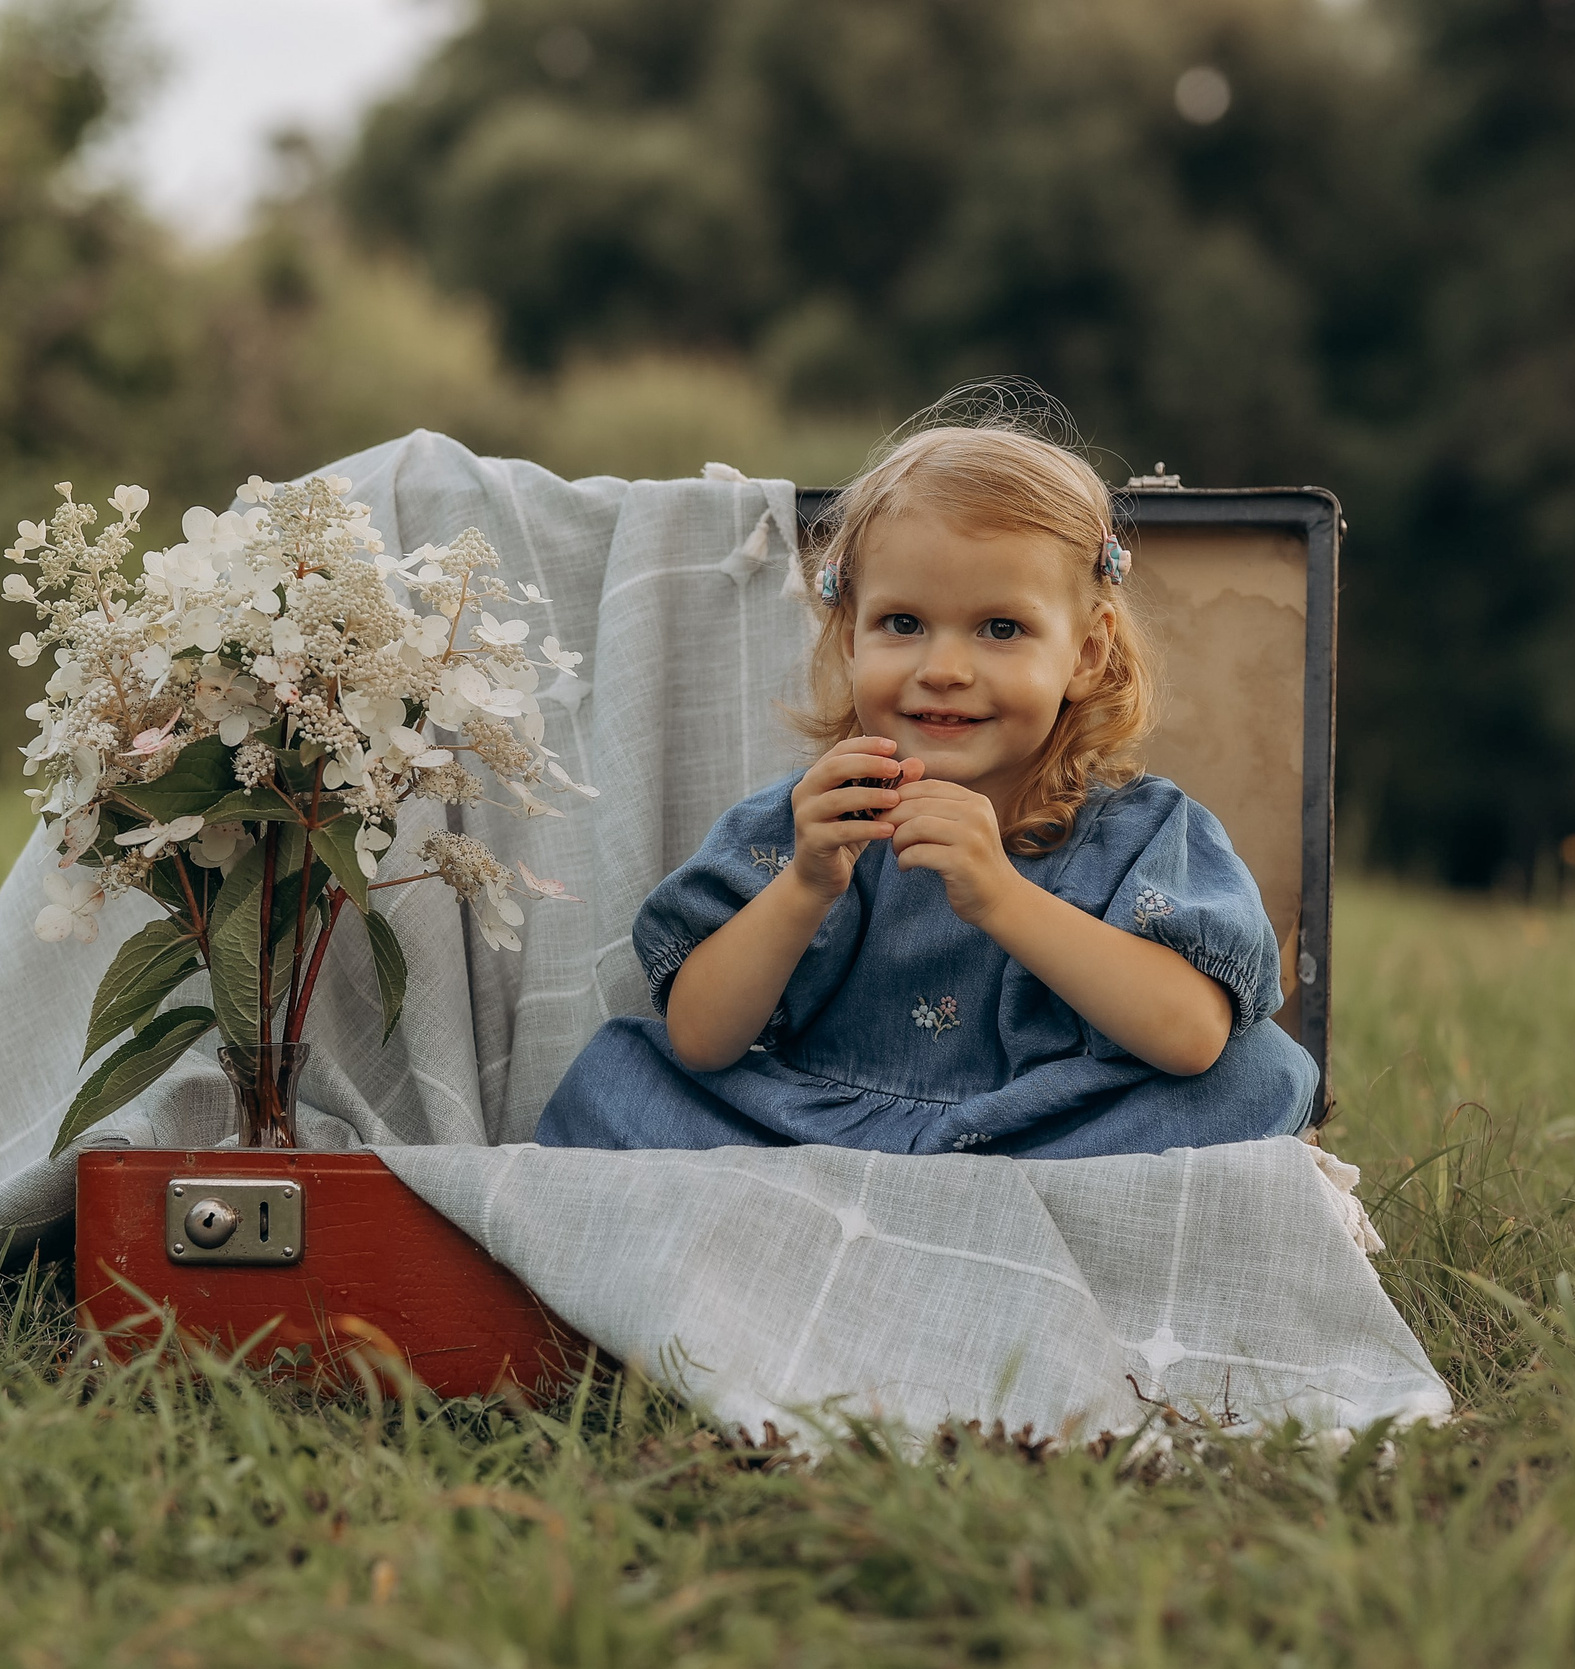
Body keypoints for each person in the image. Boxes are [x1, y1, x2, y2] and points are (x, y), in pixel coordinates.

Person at [535, 418, 1320, 1158]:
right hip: (813, 1129)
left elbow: (1190, 1035)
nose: (943, 669)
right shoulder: (814, 820)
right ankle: (895, 1210)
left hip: (1042, 1137)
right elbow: (701, 1038)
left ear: (1086, 652)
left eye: (1001, 628)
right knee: (619, 1073)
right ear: (850, 637)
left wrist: (1001, 896)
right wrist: (805, 884)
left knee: (1259, 1074)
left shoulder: (1143, 831)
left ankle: (918, 1215)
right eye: (903, 624)